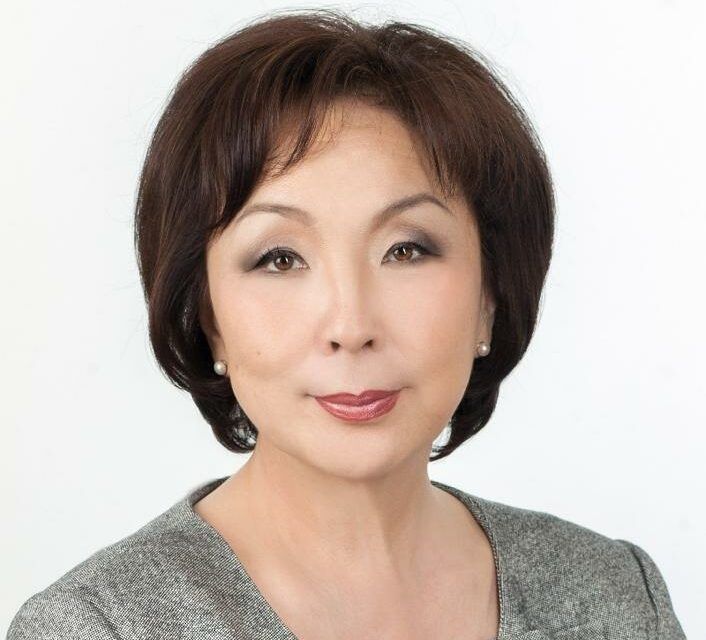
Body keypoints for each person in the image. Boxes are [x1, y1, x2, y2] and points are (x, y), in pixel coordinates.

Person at [7, 8, 686, 640]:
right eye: (279, 258)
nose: (351, 324)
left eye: (407, 250)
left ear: (490, 294)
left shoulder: (616, 595)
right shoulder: (97, 626)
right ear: (207, 317)